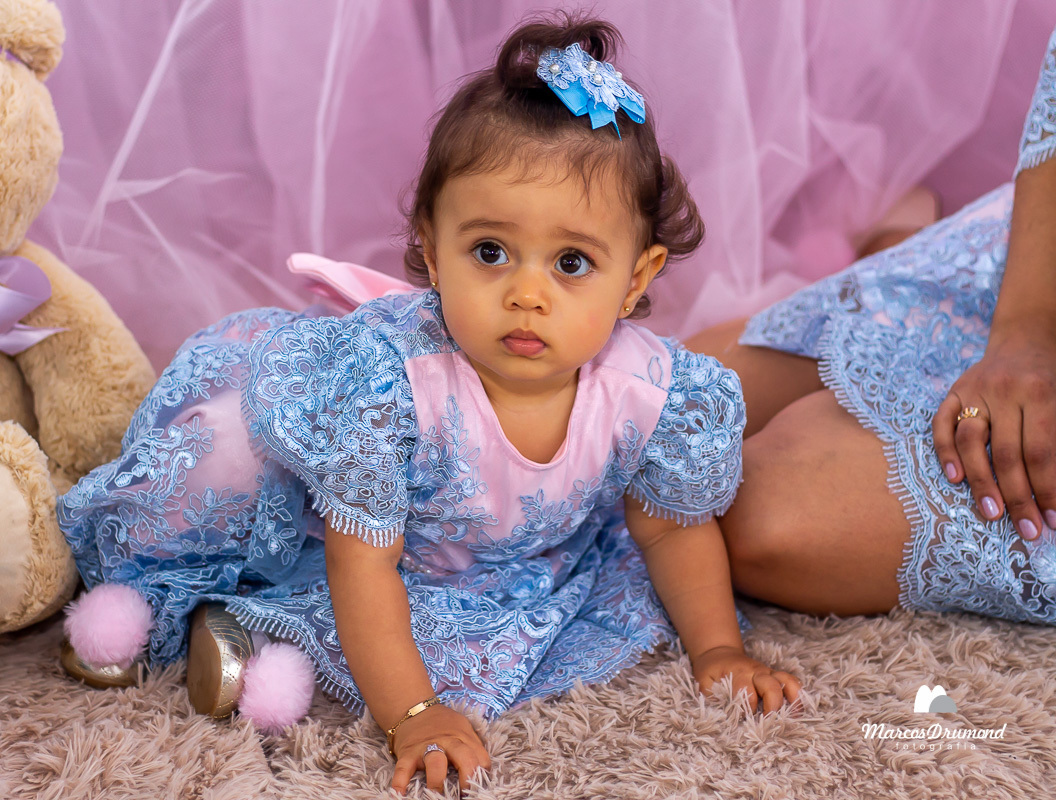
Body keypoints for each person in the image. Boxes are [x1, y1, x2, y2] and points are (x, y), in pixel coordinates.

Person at [55, 15, 802, 795]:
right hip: (375, 554)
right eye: (489, 252)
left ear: (639, 278)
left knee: (575, 612)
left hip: (523, 563)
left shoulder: (651, 390)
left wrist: (718, 650)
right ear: (431, 245)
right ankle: (223, 614)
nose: (526, 293)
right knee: (246, 496)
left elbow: (674, 531)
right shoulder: (393, 387)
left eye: (573, 262)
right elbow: (363, 560)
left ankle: (252, 645)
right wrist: (413, 711)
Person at [687, 25, 1056, 624]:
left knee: (759, 520)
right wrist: (1024, 333)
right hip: (1028, 269)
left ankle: (902, 238)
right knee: (662, 397)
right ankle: (912, 246)